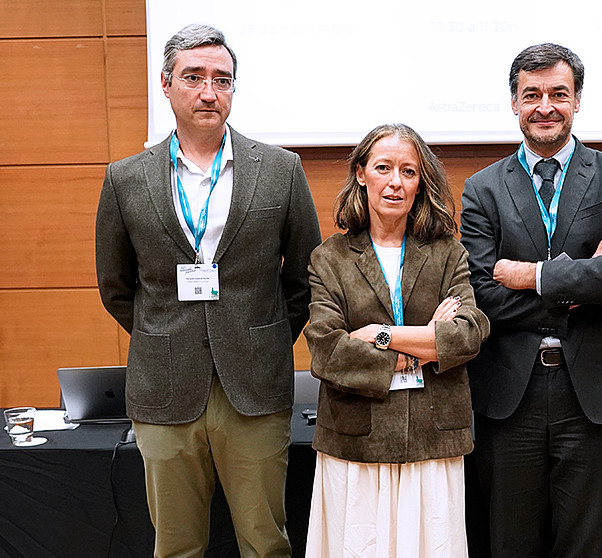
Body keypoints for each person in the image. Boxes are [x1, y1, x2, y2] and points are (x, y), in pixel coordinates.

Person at [95, 24, 320, 557]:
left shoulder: (281, 170)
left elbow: (304, 279)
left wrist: (260, 339)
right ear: (167, 85)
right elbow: (116, 286)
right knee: (176, 547)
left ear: (233, 90)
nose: (208, 91)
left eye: (222, 79)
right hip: (164, 387)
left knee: (266, 544)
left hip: (255, 388)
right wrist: (163, 334)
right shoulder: (125, 179)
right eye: (193, 77)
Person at [459, 43, 602, 558]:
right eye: (532, 94)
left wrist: (535, 276)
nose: (546, 106)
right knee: (509, 541)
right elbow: (481, 294)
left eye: (558, 94)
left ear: (578, 100)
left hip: (590, 391)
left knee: (582, 543)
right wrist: (586, 284)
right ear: (515, 104)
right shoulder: (482, 190)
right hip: (508, 393)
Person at [303, 123, 490, 558]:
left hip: (433, 438)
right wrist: (421, 349)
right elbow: (329, 351)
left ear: (420, 181)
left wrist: (384, 336)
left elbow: (468, 334)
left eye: (408, 171)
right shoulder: (329, 258)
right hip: (356, 439)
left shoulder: (448, 252)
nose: (395, 182)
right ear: (361, 174)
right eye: (384, 168)